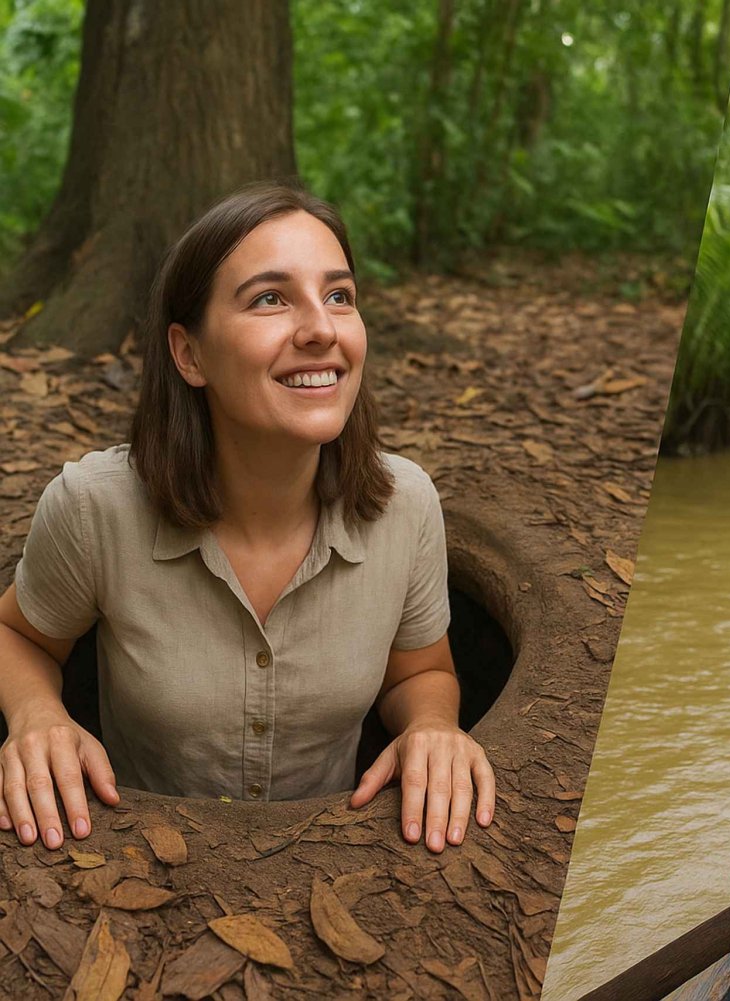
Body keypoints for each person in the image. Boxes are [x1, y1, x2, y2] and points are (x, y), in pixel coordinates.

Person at [0, 182, 495, 856]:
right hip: (140, 860)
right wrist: (36, 714)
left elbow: (420, 672)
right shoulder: (95, 506)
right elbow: (18, 636)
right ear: (189, 354)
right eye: (270, 297)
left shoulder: (406, 506)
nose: (321, 327)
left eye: (339, 295)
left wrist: (434, 724)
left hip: (339, 861)